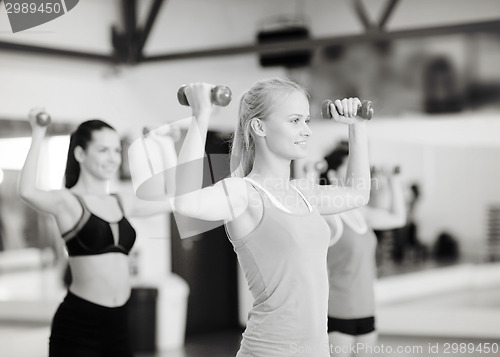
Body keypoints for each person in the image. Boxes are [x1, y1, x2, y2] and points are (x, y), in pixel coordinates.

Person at [173, 78, 371, 356]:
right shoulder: (244, 193)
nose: (306, 131)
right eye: (294, 120)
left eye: (306, 120)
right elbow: (185, 202)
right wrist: (200, 116)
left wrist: (357, 128)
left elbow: (359, 194)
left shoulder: (304, 192)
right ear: (259, 126)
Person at [18, 109, 174, 357]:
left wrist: (164, 145)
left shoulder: (122, 200)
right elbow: (27, 191)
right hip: (78, 325)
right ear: (80, 153)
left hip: (120, 322)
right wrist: (38, 132)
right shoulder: (67, 201)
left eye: (116, 150)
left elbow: (172, 198)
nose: (113, 158)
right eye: (103, 150)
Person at [319, 143, 406, 357]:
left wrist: (393, 180)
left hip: (367, 309)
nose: (356, 172)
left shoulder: (362, 214)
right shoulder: (328, 215)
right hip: (338, 311)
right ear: (332, 174)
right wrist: (313, 175)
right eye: (349, 166)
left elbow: (398, 218)